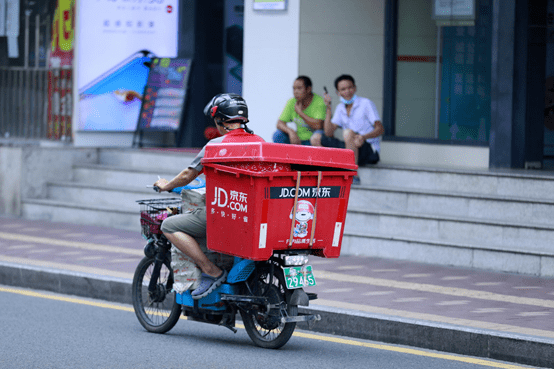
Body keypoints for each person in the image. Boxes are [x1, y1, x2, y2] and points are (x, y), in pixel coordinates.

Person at [154, 93, 261, 299]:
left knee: (169, 226)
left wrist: (167, 186)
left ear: (220, 120)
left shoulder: (215, 146)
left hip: (225, 214)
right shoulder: (260, 143)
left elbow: (187, 174)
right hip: (253, 215)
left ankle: (211, 271)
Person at [310, 74, 384, 185]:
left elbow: (380, 129)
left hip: (368, 150)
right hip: (350, 148)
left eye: (350, 87)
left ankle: (352, 174)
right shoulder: (340, 108)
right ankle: (328, 171)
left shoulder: (366, 103)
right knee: (316, 138)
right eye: (343, 89)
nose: (347, 91)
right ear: (337, 93)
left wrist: (363, 137)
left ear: (355, 88)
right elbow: (328, 133)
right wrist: (328, 108)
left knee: (348, 132)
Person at [273, 75, 326, 145]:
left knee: (317, 137)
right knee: (278, 135)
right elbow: (279, 123)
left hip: (312, 140)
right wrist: (291, 132)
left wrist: (300, 113)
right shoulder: (292, 102)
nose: (295, 92)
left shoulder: (319, 102)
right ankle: (286, 155)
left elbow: (318, 126)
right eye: (294, 89)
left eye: (299, 88)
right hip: (298, 139)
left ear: (308, 89)